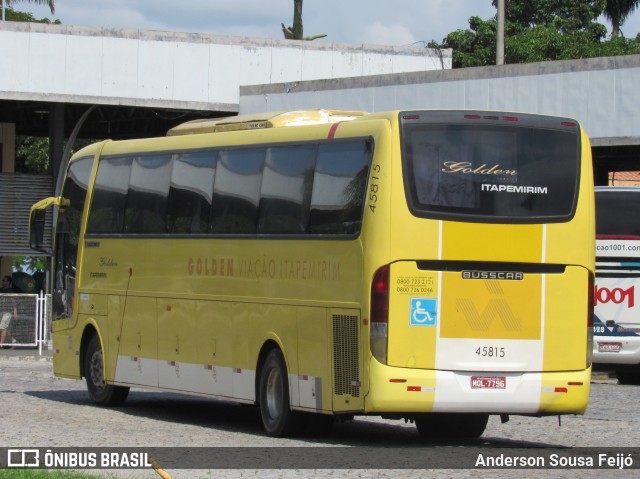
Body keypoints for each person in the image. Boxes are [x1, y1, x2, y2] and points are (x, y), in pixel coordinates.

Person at [0, 275, 18, 347]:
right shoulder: (0, 290)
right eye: (3, 281)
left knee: (3, 327)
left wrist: (15, 312)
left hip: (8, 312)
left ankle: (1, 344)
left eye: (6, 281)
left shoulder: (11, 291)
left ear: (9, 282)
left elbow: (14, 302)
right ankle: (13, 339)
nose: (4, 282)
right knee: (4, 328)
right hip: (1, 311)